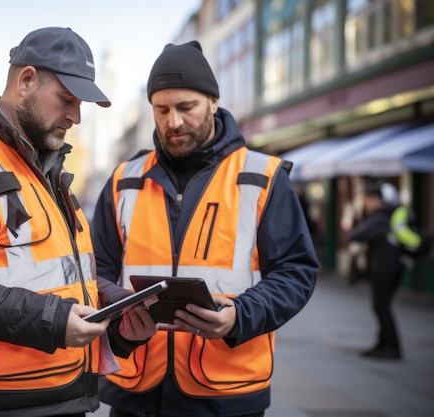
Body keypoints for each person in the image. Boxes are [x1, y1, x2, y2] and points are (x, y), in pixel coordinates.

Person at [0, 27, 157, 417]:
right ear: (25, 80)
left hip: (62, 397)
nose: (76, 117)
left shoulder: (49, 174)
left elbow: (62, 280)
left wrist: (116, 323)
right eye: (67, 100)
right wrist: (53, 319)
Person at [91, 41, 319, 417]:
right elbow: (94, 268)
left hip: (225, 391)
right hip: (135, 391)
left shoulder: (262, 178)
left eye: (186, 107)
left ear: (214, 101)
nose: (173, 121)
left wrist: (238, 316)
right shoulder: (124, 180)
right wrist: (122, 310)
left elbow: (296, 272)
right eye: (161, 110)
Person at [348, 182, 404, 360]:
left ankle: (392, 348)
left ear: (378, 200)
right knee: (381, 306)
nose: (366, 203)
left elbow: (356, 234)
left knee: (381, 307)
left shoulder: (381, 218)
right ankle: (382, 345)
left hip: (385, 269)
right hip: (390, 267)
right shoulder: (387, 217)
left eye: (369, 199)